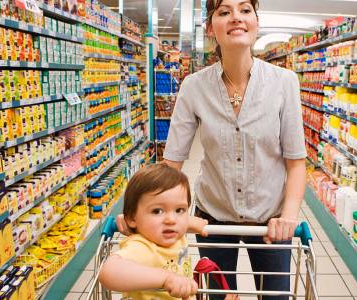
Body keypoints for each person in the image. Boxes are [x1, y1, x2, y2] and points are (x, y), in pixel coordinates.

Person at [117, 0, 307, 298]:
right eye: (224, 12)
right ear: (210, 28)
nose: (236, 18)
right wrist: (137, 210)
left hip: (272, 221)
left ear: (257, 21)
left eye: (245, 10)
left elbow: (296, 162)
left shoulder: (284, 83)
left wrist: (289, 216)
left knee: (276, 296)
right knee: (217, 295)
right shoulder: (194, 86)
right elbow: (172, 165)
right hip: (212, 220)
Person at [98, 163, 209, 300]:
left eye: (179, 210)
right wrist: (166, 279)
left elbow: (177, 220)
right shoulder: (143, 247)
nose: (171, 220)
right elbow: (109, 272)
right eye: (157, 211)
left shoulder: (173, 234)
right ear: (132, 218)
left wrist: (189, 222)